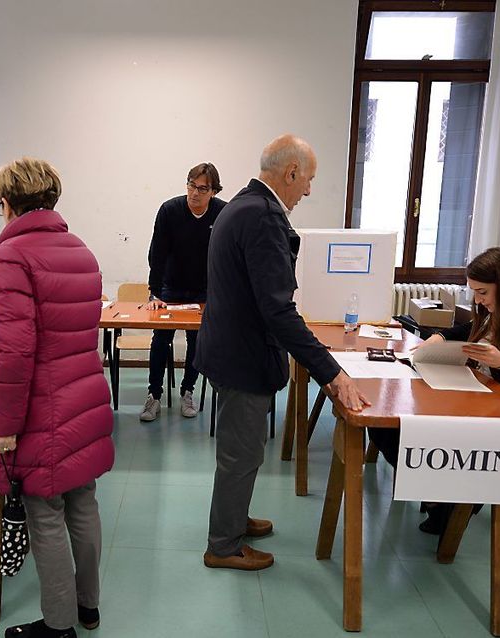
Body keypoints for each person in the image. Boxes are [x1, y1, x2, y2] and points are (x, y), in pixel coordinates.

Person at [194, 135, 369, 571]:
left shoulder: (241, 205)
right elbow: (278, 310)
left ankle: (232, 520)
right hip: (244, 357)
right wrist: (332, 372)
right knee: (241, 453)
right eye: (308, 179)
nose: (309, 190)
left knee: (244, 450)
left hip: (230, 349)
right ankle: (224, 546)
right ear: (290, 173)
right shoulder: (263, 217)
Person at [0, 158, 114, 638]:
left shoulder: (12, 255)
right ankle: (88, 609)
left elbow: (17, 353)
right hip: (84, 395)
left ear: (9, 202)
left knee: (44, 512)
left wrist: (3, 426)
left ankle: (58, 627)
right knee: (83, 502)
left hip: (44, 406)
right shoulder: (79, 249)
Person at [368, 246, 500, 534]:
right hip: (480, 404)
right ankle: (442, 495)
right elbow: (465, 333)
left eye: (483, 292)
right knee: (384, 424)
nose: (477, 300)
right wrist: (439, 337)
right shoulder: (498, 312)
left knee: (403, 429)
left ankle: (449, 499)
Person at [140, 163, 227, 422]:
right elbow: (157, 254)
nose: (195, 193)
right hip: (170, 287)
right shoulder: (170, 210)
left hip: (204, 290)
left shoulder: (223, 213)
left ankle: (187, 391)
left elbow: (227, 256)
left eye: (202, 188)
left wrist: (220, 294)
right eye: (191, 185)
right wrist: (154, 293)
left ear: (213, 191)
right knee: (160, 339)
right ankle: (154, 394)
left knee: (196, 342)